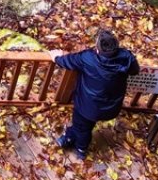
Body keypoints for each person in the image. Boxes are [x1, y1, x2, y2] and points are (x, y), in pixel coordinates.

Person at [49, 29, 141, 162]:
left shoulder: (88, 58)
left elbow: (68, 61)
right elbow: (135, 70)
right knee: (83, 124)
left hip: (87, 106)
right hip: (111, 106)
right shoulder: (127, 58)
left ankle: (81, 148)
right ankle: (69, 136)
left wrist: (56, 57)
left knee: (82, 126)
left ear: (97, 49)